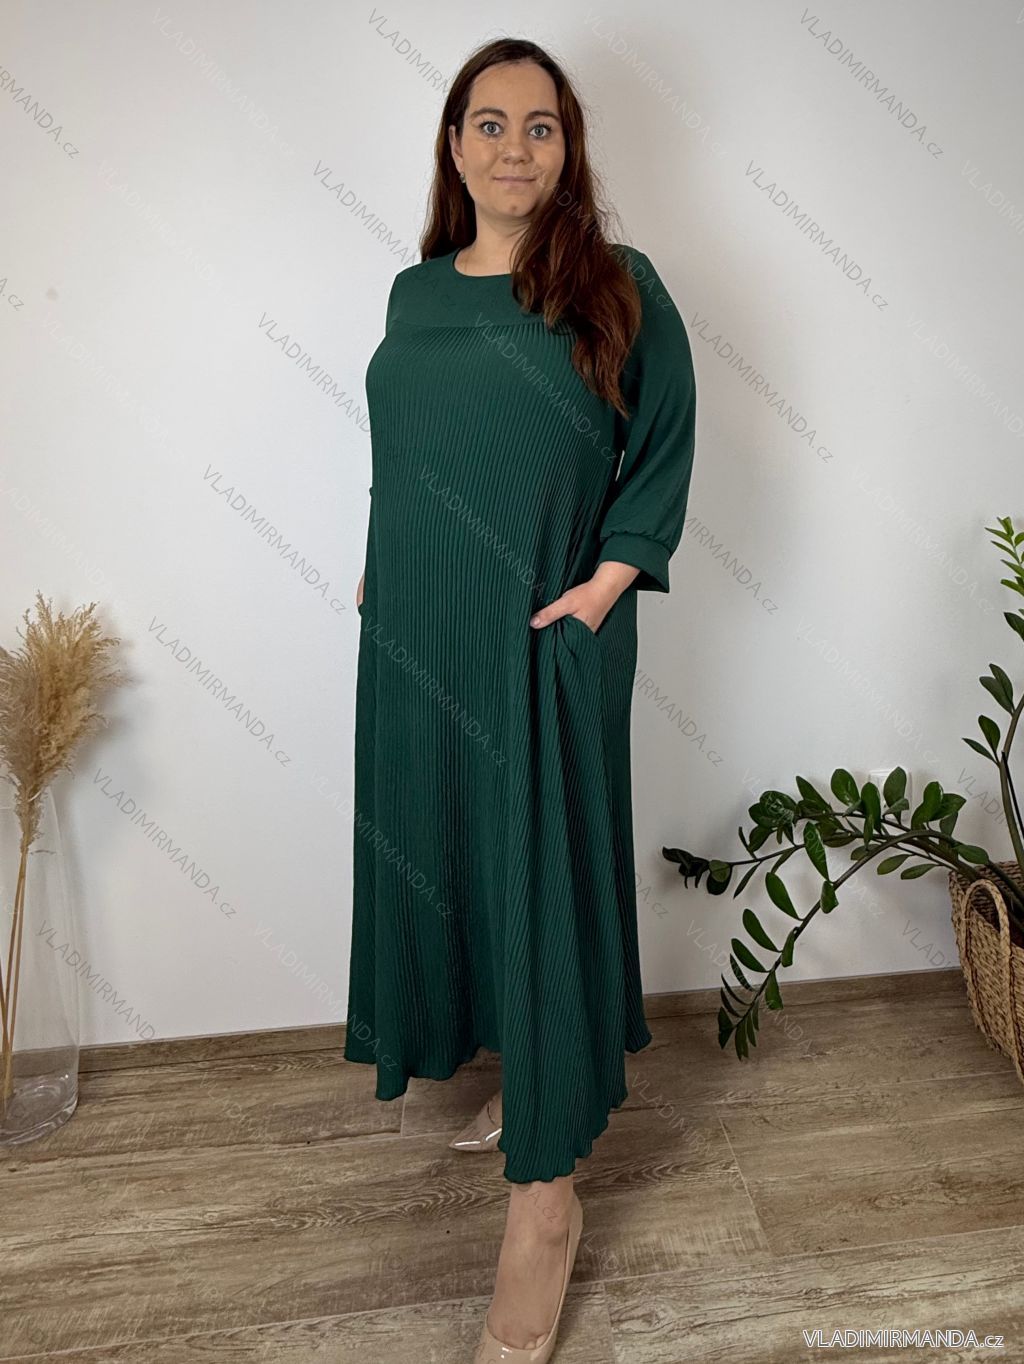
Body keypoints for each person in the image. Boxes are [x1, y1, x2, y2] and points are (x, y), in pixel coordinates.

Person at [344, 36, 697, 1364]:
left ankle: (547, 1200)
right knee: (453, 857)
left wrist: (604, 590)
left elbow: (664, 444)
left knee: (543, 870)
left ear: (569, 147)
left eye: (539, 126)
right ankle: (524, 1071)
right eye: (488, 124)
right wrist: (380, 568)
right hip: (419, 633)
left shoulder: (619, 285)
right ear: (454, 146)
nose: (513, 147)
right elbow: (403, 450)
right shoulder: (412, 293)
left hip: (549, 634)